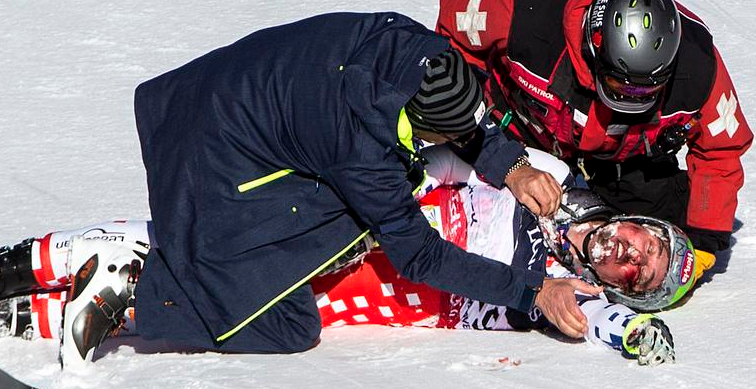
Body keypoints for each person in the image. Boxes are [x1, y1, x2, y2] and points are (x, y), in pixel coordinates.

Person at [0, 147, 683, 366]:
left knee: (232, 293)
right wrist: (400, 183)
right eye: (643, 240)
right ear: (635, 219)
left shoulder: (570, 289)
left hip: (402, 290)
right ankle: (35, 259)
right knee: (207, 230)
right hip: (368, 218)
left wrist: (637, 331)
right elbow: (454, 156)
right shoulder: (553, 177)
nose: (628, 251)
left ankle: (31, 315)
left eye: (638, 272)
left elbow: (601, 322)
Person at [434, 0, 752, 282]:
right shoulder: (528, 12)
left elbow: (721, 151)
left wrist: (705, 243)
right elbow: (453, 23)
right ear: (594, 45)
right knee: (486, 210)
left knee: (670, 234)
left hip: (619, 157)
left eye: (645, 91)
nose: (629, 96)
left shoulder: (698, 65)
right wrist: (478, 124)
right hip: (519, 128)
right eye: (618, 84)